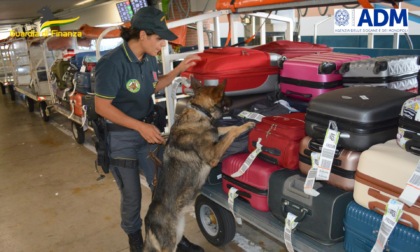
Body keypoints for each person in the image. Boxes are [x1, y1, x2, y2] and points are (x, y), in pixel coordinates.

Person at [94, 6, 203, 252]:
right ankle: (135, 241)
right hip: (121, 137)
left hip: (146, 130)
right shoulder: (111, 63)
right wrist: (139, 127)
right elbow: (101, 106)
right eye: (159, 39)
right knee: (132, 197)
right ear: (142, 35)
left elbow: (153, 87)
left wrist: (178, 70)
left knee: (164, 191)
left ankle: (173, 236)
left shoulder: (149, 58)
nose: (163, 44)